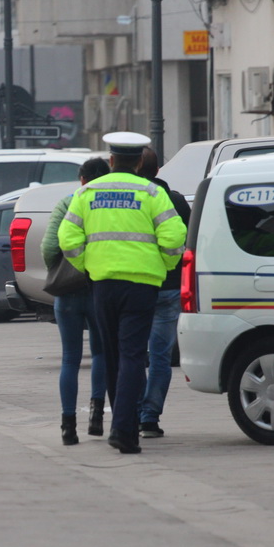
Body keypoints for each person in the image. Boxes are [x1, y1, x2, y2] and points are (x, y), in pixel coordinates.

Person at [58, 132, 186, 454]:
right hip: (142, 285)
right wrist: (164, 263)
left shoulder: (87, 192)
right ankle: (124, 430)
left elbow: (68, 237)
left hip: (103, 285)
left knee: (113, 355)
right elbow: (174, 237)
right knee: (132, 355)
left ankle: (122, 427)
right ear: (140, 161)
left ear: (111, 160)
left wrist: (88, 265)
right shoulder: (152, 192)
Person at [41, 157, 110, 445]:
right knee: (101, 353)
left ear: (81, 179)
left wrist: (62, 270)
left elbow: (49, 247)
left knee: (70, 358)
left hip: (69, 292)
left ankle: (68, 426)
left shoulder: (67, 203)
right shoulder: (108, 205)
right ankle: (96, 416)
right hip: (100, 288)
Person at [136, 147, 191, 438]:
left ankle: (132, 413)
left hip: (135, 287)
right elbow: (188, 240)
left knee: (132, 354)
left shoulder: (132, 200)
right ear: (158, 171)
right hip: (168, 287)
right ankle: (149, 418)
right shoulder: (177, 200)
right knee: (160, 356)